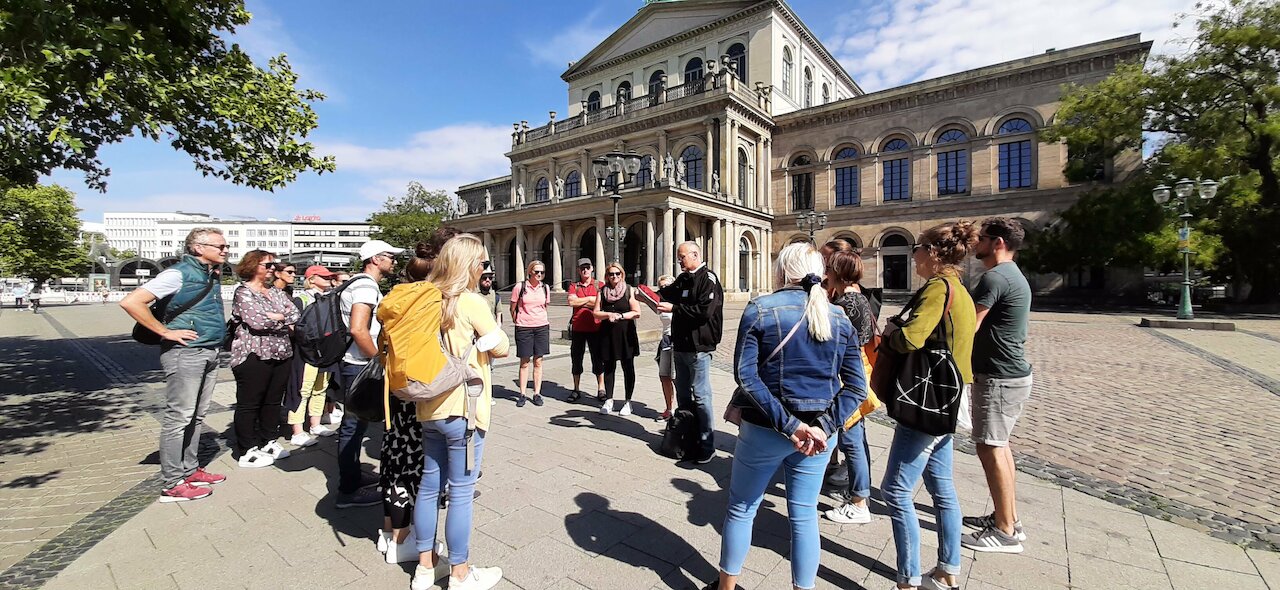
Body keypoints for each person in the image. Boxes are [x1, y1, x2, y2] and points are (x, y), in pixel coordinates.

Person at [708, 242, 867, 590]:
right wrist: (821, 427)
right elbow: (856, 388)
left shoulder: (761, 309)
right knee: (804, 515)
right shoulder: (838, 316)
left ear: (781, 273)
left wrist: (791, 425)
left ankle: (726, 588)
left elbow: (746, 376)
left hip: (766, 428)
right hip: (818, 438)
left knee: (742, 508)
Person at [880, 222, 978, 590]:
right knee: (941, 487)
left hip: (927, 400)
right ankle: (948, 569)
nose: (913, 255)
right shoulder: (960, 289)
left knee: (896, 490)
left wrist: (892, 332)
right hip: (949, 398)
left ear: (934, 254)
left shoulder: (938, 289)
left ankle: (908, 578)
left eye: (918, 248)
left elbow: (911, 338)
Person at [410, 234, 509, 590]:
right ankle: (460, 572)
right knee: (461, 492)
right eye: (482, 263)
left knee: (428, 485)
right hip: (465, 408)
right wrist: (488, 340)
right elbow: (501, 347)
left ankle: (424, 567)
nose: (485, 268)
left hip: (428, 405)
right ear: (469, 265)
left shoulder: (423, 296)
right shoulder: (470, 301)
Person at [119, 227, 229, 502]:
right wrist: (165, 332)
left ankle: (189, 470)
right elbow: (132, 302)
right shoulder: (177, 273)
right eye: (220, 246)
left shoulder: (210, 274)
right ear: (198, 248)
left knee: (197, 415)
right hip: (186, 354)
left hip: (209, 351)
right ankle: (172, 482)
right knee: (179, 417)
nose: (225, 250)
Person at [961, 217, 1034, 554]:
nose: (977, 244)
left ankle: (1005, 531)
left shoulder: (994, 276)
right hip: (1010, 373)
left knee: (990, 446)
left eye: (983, 239)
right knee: (999, 445)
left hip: (999, 376)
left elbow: (968, 326)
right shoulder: (1012, 275)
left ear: (999, 243)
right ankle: (1009, 518)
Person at [335, 239, 403, 509]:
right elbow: (358, 329)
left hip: (355, 363)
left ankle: (351, 476)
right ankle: (348, 490)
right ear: (375, 259)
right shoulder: (364, 285)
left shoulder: (358, 283)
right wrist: (378, 359)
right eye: (389, 256)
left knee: (355, 424)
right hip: (359, 365)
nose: (393, 261)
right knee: (353, 426)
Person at [228, 250, 300, 468]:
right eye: (267, 265)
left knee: (272, 401)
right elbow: (257, 322)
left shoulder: (275, 292)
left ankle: (268, 440)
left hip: (281, 352)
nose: (272, 269)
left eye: (273, 265)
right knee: (249, 403)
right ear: (252, 266)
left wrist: (277, 317)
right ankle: (246, 448)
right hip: (253, 354)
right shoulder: (243, 292)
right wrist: (282, 319)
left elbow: (295, 314)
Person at [822, 248, 877, 525]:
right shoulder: (860, 299)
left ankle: (859, 501)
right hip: (860, 372)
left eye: (829, 270)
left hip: (847, 378)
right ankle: (859, 492)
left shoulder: (845, 305)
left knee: (851, 439)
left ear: (838, 274)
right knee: (857, 438)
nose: (826, 274)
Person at [657, 241, 723, 464]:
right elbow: (667, 293)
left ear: (695, 255)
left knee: (702, 396)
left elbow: (704, 312)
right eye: (678, 257)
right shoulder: (683, 278)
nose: (679, 261)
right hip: (681, 345)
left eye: (682, 256)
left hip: (699, 348)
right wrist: (649, 294)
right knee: (683, 394)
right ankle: (688, 437)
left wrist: (674, 309)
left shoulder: (708, 279)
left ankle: (707, 444)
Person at [286, 266, 338, 447]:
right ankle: (297, 430)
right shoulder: (301, 299)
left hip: (325, 351)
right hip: (306, 351)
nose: (329, 279)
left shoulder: (330, 298)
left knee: (320, 387)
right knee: (302, 389)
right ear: (312, 278)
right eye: (324, 277)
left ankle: (315, 423)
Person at [593, 262, 641, 415]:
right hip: (607, 333)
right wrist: (608, 315)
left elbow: (637, 312)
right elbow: (595, 313)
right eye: (611, 274)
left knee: (628, 367)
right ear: (607, 276)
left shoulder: (628, 290)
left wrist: (620, 316)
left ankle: (628, 401)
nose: (614, 277)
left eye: (617, 274)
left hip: (625, 333)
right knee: (608, 367)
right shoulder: (602, 291)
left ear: (622, 275)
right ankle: (609, 399)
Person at [510, 260, 550, 408]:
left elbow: (545, 306)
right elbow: (512, 306)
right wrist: (518, 320)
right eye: (536, 272)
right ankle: (522, 394)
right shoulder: (520, 287)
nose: (539, 274)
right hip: (524, 327)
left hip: (541, 326)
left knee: (538, 361)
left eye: (542, 272)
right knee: (524, 361)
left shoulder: (545, 288)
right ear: (530, 272)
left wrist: (539, 319)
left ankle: (537, 393)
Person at [566, 258, 605, 402]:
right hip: (578, 328)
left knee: (598, 359)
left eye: (587, 267)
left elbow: (601, 303)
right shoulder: (574, 286)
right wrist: (590, 299)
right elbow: (571, 302)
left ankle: (601, 388)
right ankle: (576, 389)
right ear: (578, 270)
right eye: (582, 268)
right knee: (576, 359)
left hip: (596, 328)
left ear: (592, 269)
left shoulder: (599, 285)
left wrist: (582, 302)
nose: (585, 270)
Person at [654, 274, 676, 420]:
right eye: (661, 287)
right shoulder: (661, 302)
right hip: (665, 340)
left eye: (667, 286)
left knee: (676, 378)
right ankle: (669, 408)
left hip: (676, 341)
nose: (664, 289)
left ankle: (682, 410)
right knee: (664, 376)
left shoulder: (678, 301)